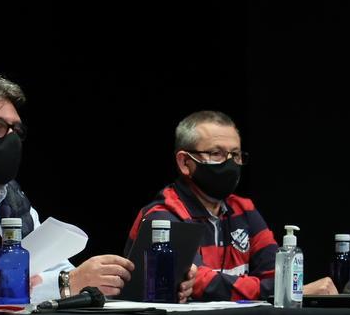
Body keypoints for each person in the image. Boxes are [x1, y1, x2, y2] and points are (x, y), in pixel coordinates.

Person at [0, 70, 194, 304]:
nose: (11, 139)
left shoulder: (10, 194)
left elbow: (57, 269)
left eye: (16, 130)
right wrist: (70, 284)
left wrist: (110, 279)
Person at [126, 110, 336, 301]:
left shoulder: (244, 209)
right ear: (184, 162)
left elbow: (279, 274)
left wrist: (282, 286)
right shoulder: (162, 216)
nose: (229, 164)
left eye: (235, 155)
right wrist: (286, 290)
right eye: (216, 154)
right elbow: (202, 285)